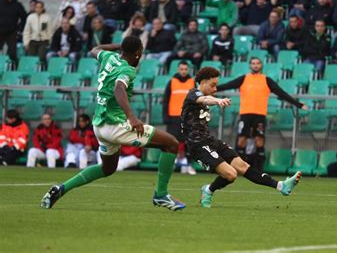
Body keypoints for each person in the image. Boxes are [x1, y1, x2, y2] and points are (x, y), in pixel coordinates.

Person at [40, 36, 186, 211]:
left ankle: (61, 189)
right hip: (116, 126)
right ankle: (161, 195)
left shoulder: (109, 57)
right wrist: (132, 117)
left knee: (107, 168)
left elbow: (95, 49)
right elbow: (119, 88)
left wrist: (120, 46)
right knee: (171, 144)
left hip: (99, 125)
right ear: (138, 54)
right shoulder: (128, 69)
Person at [181, 67, 302, 208]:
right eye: (213, 85)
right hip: (198, 146)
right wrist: (218, 100)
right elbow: (205, 98)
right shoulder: (192, 94)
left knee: (242, 166)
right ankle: (208, 190)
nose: (215, 89)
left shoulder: (201, 95)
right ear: (202, 82)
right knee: (231, 175)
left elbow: (206, 98)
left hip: (210, 140)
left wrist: (216, 100)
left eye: (216, 86)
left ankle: (281, 186)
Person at [216, 57, 309, 171]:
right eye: (253, 63)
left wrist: (298, 104)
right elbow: (227, 86)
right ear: (250, 65)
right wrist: (211, 89)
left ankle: (258, 169)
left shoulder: (266, 80)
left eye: (258, 63)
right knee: (241, 140)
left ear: (261, 65)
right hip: (245, 114)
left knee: (259, 141)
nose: (255, 65)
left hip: (259, 115)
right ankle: (238, 168)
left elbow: (281, 93)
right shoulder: (244, 79)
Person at [162, 61, 196, 175]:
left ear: (188, 70)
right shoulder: (171, 82)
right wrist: (165, 117)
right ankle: (171, 164)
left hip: (188, 117)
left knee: (188, 142)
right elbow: (165, 101)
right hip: (173, 117)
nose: (183, 71)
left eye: (185, 69)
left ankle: (188, 165)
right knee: (172, 142)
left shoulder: (193, 83)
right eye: (181, 69)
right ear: (178, 69)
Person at [0, 0, 27, 65]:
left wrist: (19, 29)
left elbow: (24, 17)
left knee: (12, 53)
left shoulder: (17, 5)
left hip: (12, 32)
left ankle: (12, 71)